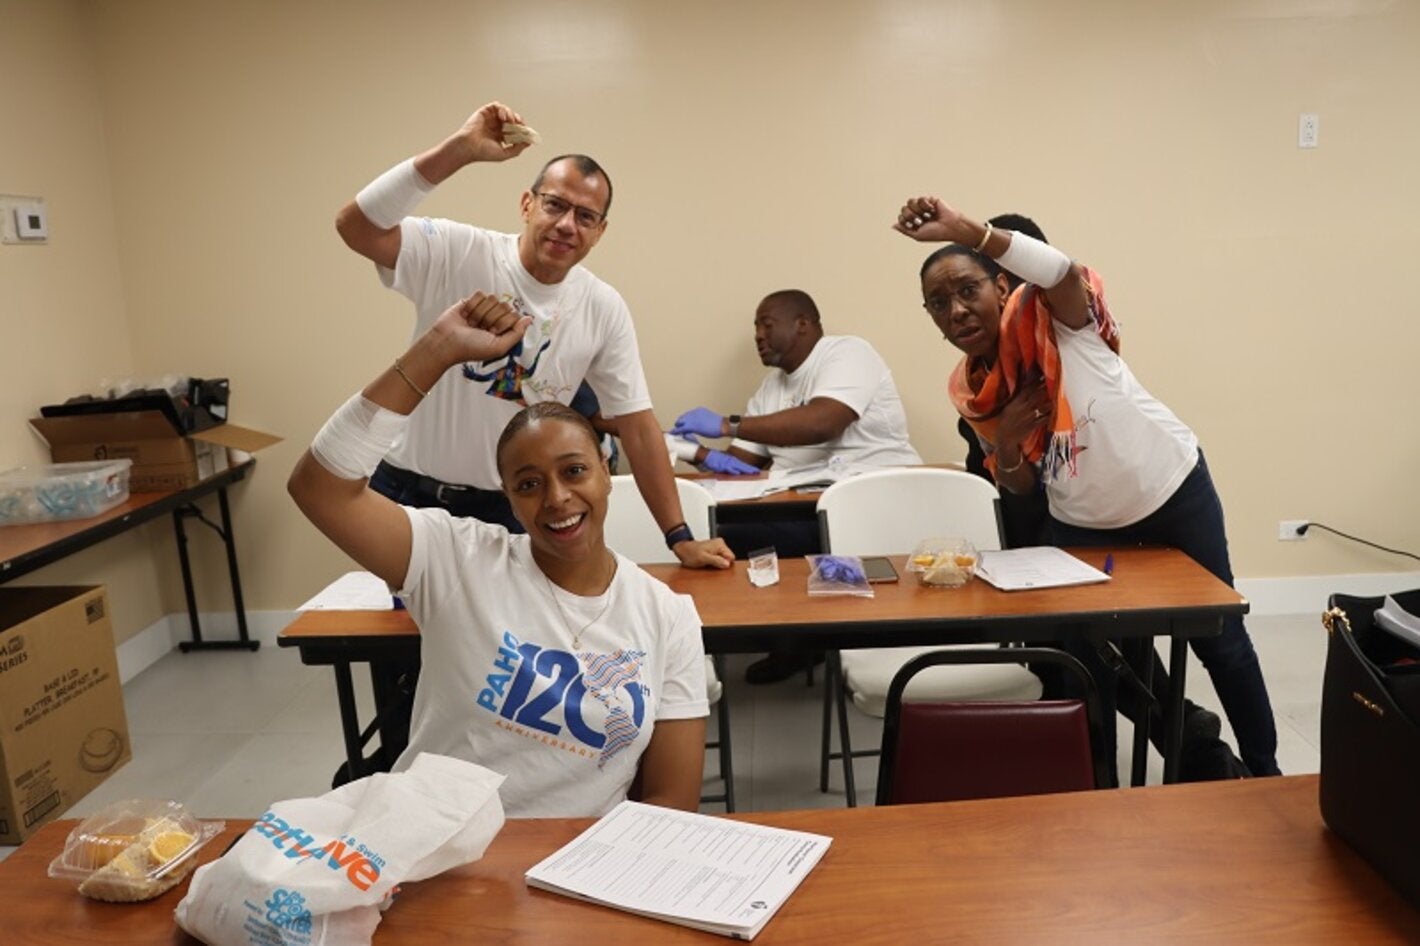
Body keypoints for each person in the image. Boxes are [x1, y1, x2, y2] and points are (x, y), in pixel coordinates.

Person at [893, 195, 1280, 780]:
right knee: (1083, 650)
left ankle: (1266, 774)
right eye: (939, 304)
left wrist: (968, 229)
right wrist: (1006, 442)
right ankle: (1104, 788)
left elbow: (1062, 272)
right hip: (1084, 520)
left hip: (1168, 488)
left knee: (1220, 639)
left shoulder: (1066, 326)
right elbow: (1019, 491)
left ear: (1004, 287)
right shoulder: (976, 393)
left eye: (968, 291)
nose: (956, 312)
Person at [288, 293, 708, 817]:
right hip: (438, 850)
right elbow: (319, 487)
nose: (556, 498)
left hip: (578, 866)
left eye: (574, 470)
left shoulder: (666, 616)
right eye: (529, 484)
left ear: (605, 471)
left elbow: (671, 800)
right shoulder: (456, 559)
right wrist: (438, 350)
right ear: (507, 496)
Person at [335, 99, 731, 570]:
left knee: (514, 643)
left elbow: (638, 427)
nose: (567, 225)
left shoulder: (602, 306)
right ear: (527, 204)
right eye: (556, 205)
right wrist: (459, 150)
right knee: (405, 643)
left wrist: (679, 536)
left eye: (585, 217)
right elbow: (356, 227)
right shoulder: (460, 252)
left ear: (599, 232)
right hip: (409, 496)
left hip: (514, 509)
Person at [670, 289, 922, 684]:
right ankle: (792, 639)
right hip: (803, 507)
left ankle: (801, 640)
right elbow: (741, 465)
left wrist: (726, 424)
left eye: (766, 324)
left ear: (803, 323)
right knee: (715, 537)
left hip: (873, 503)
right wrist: (695, 453)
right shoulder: (770, 389)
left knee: (749, 538)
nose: (757, 335)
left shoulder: (846, 353)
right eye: (755, 326)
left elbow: (824, 422)